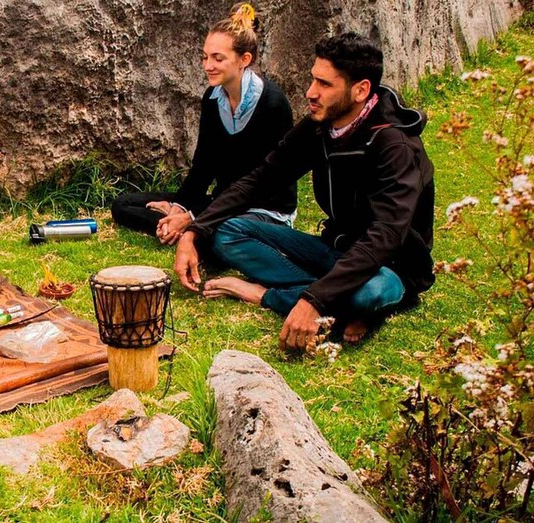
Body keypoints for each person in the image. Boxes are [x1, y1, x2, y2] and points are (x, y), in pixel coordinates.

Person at [174, 32, 435, 350]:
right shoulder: (319, 127)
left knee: (369, 293)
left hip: (388, 267)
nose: (311, 92)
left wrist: (312, 301)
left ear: (360, 90)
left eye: (324, 84)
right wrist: (194, 230)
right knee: (227, 231)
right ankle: (336, 302)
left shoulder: (395, 146)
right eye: (313, 79)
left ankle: (272, 295)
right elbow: (260, 179)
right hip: (333, 250)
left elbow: (386, 236)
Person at [111, 3, 296, 246]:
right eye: (205, 57)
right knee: (123, 205)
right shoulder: (212, 98)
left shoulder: (272, 104)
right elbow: (203, 166)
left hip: (262, 207)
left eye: (218, 58)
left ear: (244, 59)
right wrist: (179, 207)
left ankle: (194, 229)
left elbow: (262, 184)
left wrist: (193, 216)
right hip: (221, 201)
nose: (208, 66)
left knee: (219, 237)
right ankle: (178, 226)